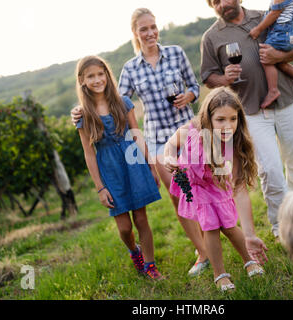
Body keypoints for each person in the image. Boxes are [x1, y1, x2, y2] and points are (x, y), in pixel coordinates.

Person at [72, 8, 210, 276]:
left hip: (186, 129)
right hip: (158, 139)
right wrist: (78, 110)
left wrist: (189, 97)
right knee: (179, 193)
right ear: (135, 34)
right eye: (143, 29)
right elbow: (112, 100)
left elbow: (195, 86)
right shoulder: (131, 69)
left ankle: (209, 240)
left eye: (153, 27)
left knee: (200, 187)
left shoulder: (176, 53)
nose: (150, 33)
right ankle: (203, 252)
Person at [202, 0, 293, 239]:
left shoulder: (267, 15)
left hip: (286, 102)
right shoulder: (211, 37)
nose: (222, 4)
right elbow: (208, 77)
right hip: (250, 111)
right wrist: (224, 79)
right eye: (215, 2)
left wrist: (278, 54)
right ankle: (281, 226)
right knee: (270, 171)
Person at [164, 87, 265, 291]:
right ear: (208, 117)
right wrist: (169, 157)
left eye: (233, 119)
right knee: (210, 228)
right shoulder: (191, 129)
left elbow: (239, 188)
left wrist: (251, 232)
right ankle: (220, 274)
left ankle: (249, 260)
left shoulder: (235, 142)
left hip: (218, 188)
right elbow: (170, 144)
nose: (228, 125)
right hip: (198, 188)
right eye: (220, 119)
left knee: (229, 226)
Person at [74, 55, 164, 280]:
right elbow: (89, 153)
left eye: (100, 74)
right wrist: (100, 188)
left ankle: (151, 266)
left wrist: (152, 167)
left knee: (141, 219)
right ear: (82, 81)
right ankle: (135, 252)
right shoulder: (83, 114)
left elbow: (136, 134)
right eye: (91, 76)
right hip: (111, 171)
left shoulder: (122, 102)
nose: (97, 79)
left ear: (107, 75)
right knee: (124, 227)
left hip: (134, 163)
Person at [249, 0, 293, 108]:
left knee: (266, 57)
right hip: (290, 34)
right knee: (279, 63)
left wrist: (258, 29)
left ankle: (273, 90)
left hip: (281, 33)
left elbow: (274, 14)